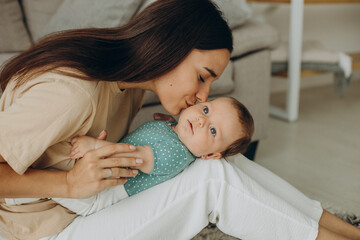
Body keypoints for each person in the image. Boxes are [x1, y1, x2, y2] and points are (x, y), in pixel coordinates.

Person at [0, 0, 359, 239]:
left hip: (79, 210)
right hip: (41, 230)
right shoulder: (72, 93)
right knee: (212, 180)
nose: (203, 97)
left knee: (218, 160)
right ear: (170, 47)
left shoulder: (127, 84)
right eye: (203, 76)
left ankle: (344, 230)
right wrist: (68, 185)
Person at [16, 97, 252, 216]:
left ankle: (15, 197)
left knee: (47, 180)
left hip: (99, 198)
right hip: (100, 179)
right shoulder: (174, 128)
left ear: (211, 154)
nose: (201, 120)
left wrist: (94, 145)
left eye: (212, 130)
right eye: (206, 110)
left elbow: (132, 156)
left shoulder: (176, 154)